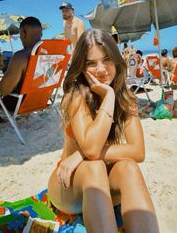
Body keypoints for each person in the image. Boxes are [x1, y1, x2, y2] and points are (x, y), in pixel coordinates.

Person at [48, 29, 159, 233]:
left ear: (116, 60)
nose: (101, 69)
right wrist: (108, 98)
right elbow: (91, 149)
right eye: (91, 63)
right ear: (81, 67)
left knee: (128, 167)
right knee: (94, 166)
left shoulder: (126, 99)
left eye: (107, 59)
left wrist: (80, 155)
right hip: (69, 184)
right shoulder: (77, 97)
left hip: (105, 183)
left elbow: (138, 152)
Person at [0, 17, 42, 114]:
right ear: (41, 34)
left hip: (19, 103)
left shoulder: (21, 56)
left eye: (19, 34)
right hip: (39, 101)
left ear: (23, 33)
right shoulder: (51, 54)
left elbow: (3, 90)